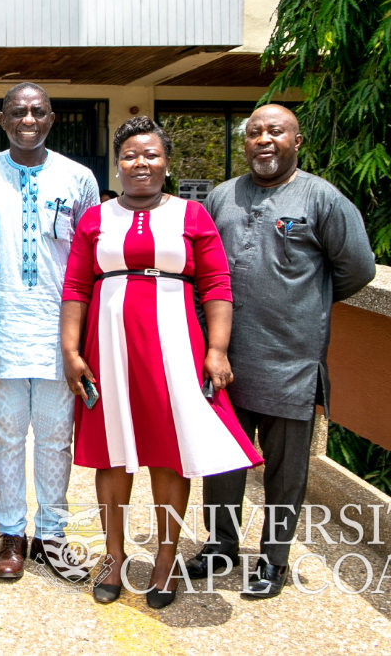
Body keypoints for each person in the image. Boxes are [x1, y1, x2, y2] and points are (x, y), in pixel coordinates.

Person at [60, 115, 262, 609]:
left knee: (168, 452)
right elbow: (76, 287)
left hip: (175, 345)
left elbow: (217, 285)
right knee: (111, 452)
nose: (140, 163)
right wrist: (70, 350)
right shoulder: (95, 218)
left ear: (167, 162)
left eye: (150, 154)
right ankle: (113, 556)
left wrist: (216, 349)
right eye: (130, 155)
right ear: (118, 163)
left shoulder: (192, 216)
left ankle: (167, 559)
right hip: (106, 347)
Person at [186, 104, 375, 600]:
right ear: (244, 142)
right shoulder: (223, 196)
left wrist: (304, 304)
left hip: (291, 360)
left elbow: (356, 269)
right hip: (224, 356)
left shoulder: (323, 200)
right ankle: (221, 543)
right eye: (253, 133)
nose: (263, 140)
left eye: (276, 131)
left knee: (286, 469)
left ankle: (274, 559)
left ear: (297, 140)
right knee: (222, 459)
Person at [0, 82, 99, 581]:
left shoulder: (79, 178)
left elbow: (90, 259)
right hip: (2, 329)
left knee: (58, 438)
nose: (28, 119)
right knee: (7, 435)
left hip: (61, 328)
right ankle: (11, 534)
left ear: (53, 118)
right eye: (18, 112)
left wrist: (82, 338)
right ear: (2, 120)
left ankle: (53, 534)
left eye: (38, 111)